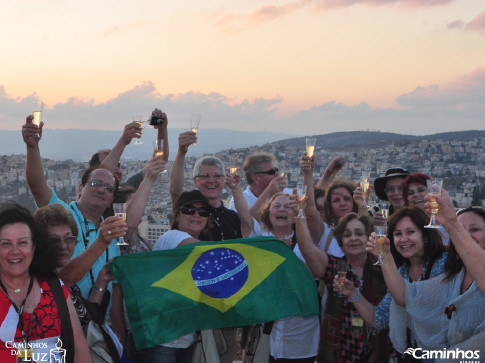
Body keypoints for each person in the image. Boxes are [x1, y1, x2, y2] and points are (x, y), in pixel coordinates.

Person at [22, 117, 126, 310]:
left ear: (112, 199)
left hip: (96, 326)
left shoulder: (111, 232)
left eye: (108, 188)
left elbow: (114, 289)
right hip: (58, 317)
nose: (101, 190)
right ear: (80, 188)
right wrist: (32, 147)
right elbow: (37, 186)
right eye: (95, 184)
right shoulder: (62, 214)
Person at [378, 193, 485, 358]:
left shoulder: (441, 265)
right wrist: (385, 255)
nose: (466, 235)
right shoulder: (453, 276)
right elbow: (406, 296)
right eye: (461, 230)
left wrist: (452, 224)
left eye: (475, 229)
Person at [339, 207, 447, 359]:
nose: (403, 239)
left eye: (410, 232)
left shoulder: (444, 263)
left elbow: (408, 299)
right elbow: (378, 319)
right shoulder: (402, 272)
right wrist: (353, 293)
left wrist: (385, 257)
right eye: (397, 234)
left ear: (425, 235)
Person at [0, 203, 91, 363]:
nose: (15, 251)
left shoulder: (54, 287)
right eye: (6, 244)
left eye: (22, 242)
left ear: (34, 247)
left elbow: (79, 349)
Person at [295, 210, 388, 362]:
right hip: (341, 353)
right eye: (347, 235)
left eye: (359, 233)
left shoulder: (383, 268)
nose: (353, 238)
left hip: (378, 351)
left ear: (369, 238)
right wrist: (299, 213)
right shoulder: (336, 267)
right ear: (341, 243)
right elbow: (308, 250)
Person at [133, 190, 212, 363]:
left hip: (185, 337)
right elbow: (209, 253)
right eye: (189, 210)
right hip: (160, 339)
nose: (196, 215)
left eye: (203, 212)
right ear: (176, 216)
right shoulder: (171, 237)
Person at [256, 192, 320, 362]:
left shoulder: (307, 243)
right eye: (276, 206)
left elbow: (315, 272)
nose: (281, 210)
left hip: (300, 335)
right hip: (267, 334)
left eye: (288, 207)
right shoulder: (259, 243)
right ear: (268, 213)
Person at [402, 173, 449, 245]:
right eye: (410, 193)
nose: (416, 195)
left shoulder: (448, 226)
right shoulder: (403, 227)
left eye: (421, 190)